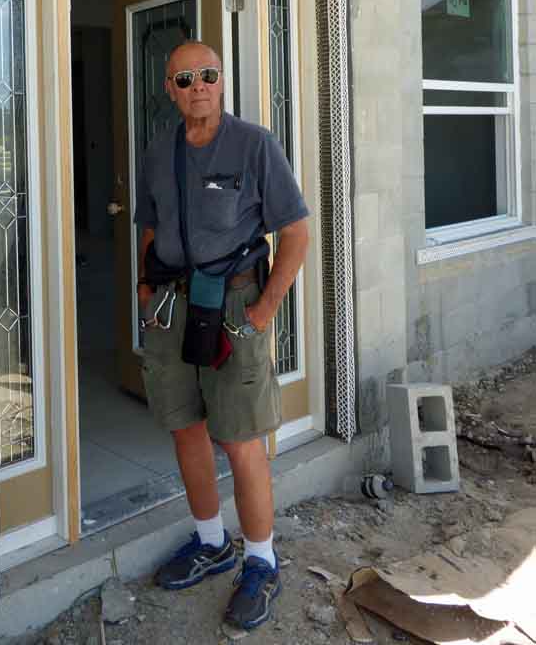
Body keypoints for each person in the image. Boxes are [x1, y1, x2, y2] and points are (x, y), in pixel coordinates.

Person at [134, 39, 309, 632]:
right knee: (185, 428)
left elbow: (296, 232)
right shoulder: (158, 152)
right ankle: (211, 543)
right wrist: (145, 289)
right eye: (184, 79)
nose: (198, 87)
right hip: (172, 307)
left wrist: (264, 309)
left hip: (234, 307)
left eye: (207, 75)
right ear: (170, 90)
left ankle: (261, 561)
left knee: (239, 439)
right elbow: (151, 227)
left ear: (222, 79)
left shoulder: (255, 145)